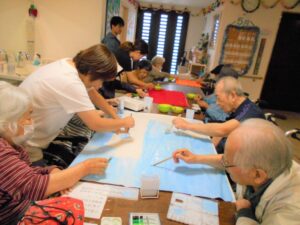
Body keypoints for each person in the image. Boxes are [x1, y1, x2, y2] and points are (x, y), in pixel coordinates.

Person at [0, 81, 109, 224]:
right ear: (8, 121)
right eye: (26, 117)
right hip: (14, 218)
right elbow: (33, 185)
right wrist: (85, 168)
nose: (30, 122)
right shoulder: (2, 151)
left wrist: (52, 171)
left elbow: (25, 173)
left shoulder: (11, 143)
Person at [20, 44, 134, 164]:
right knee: (43, 177)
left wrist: (114, 116)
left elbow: (93, 94)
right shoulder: (70, 81)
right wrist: (124, 122)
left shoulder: (70, 65)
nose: (100, 86)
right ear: (91, 72)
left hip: (31, 134)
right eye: (102, 80)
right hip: (27, 143)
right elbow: (95, 124)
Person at [172, 119, 300, 225]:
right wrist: (196, 158)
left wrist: (245, 213)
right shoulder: (268, 162)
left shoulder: (288, 213)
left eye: (227, 163)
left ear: (257, 175)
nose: (224, 162)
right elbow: (228, 160)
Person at [172, 77, 265, 153]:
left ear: (232, 95)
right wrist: (209, 151)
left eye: (218, 97)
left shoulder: (250, 112)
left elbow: (222, 130)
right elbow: (220, 132)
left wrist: (186, 125)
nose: (217, 102)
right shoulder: (240, 107)